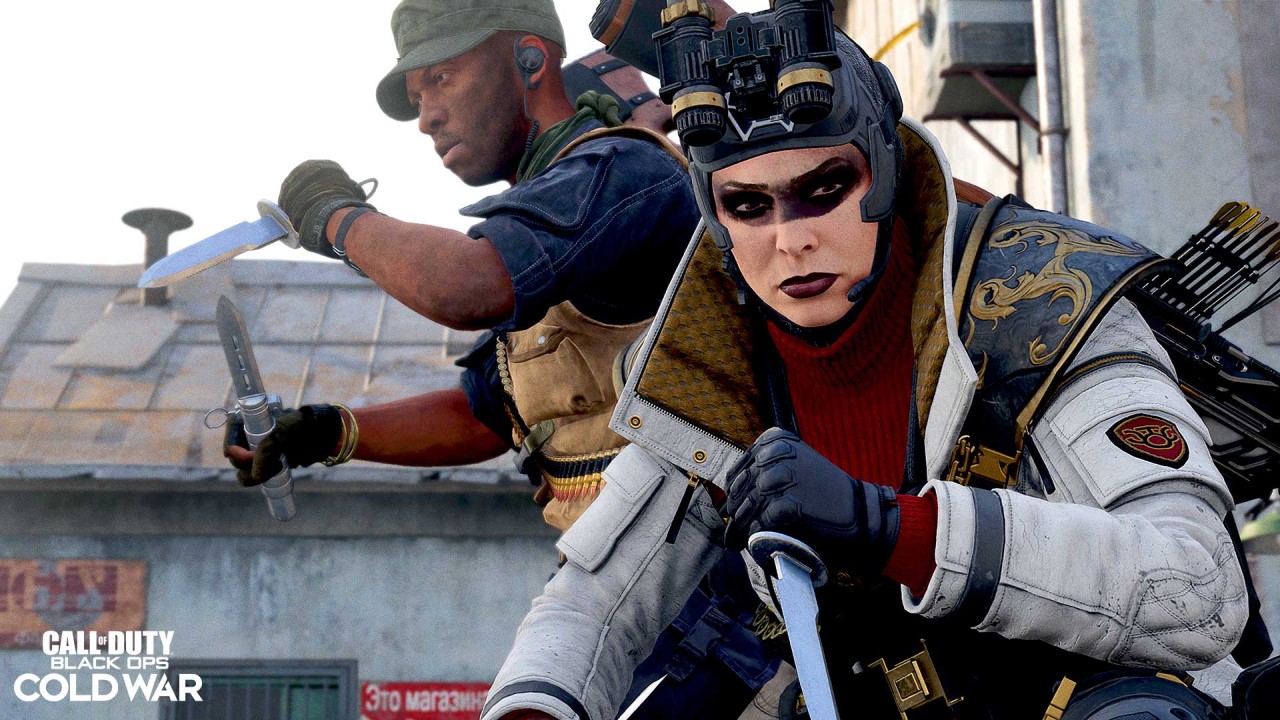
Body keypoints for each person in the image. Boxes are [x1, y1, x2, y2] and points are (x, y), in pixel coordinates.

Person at [478, 6, 1257, 720]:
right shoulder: (710, 370)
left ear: (882, 170)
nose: (791, 240)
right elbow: (590, 607)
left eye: (823, 189)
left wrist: (890, 528)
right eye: (747, 205)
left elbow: (1197, 591)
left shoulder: (1047, 302)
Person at [224, 1, 787, 717]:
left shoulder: (620, 170)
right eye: (417, 96)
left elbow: (469, 287)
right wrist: (323, 431)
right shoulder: (541, 215)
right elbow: (488, 412)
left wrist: (338, 219)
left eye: (441, 79)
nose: (426, 116)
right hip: (628, 597)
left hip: (720, 599)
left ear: (529, 59)